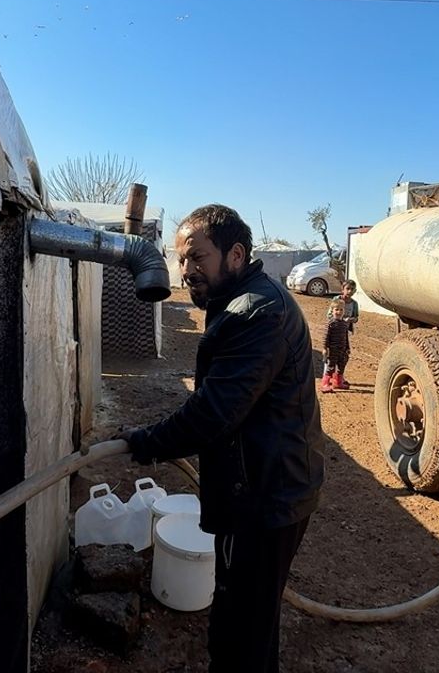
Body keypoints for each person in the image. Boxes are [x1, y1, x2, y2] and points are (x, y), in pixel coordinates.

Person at [121, 204, 326, 673]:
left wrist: (147, 442)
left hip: (263, 500)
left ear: (235, 255)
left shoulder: (254, 314)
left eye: (198, 258)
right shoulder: (244, 302)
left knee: (238, 635)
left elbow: (212, 415)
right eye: (182, 260)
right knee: (250, 623)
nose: (186, 270)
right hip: (273, 486)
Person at [320, 298, 351, 393]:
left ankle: (338, 382)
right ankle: (325, 384)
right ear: (332, 310)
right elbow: (326, 337)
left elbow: (346, 337)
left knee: (341, 366)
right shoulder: (330, 323)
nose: (339, 312)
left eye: (341, 309)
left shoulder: (344, 324)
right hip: (333, 350)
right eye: (336, 309)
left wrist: (348, 348)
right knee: (330, 367)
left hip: (342, 350)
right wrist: (325, 348)